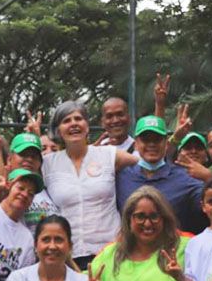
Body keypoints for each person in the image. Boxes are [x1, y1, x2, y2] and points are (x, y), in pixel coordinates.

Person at [40, 101, 138, 269]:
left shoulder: (108, 154)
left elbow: (149, 162)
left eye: (78, 118)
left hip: (110, 252)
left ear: (87, 125)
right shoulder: (46, 164)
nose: (74, 124)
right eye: (66, 120)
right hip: (66, 257)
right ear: (58, 130)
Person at [117, 115, 206, 234]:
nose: (152, 144)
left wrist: (208, 177)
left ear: (166, 143)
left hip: (171, 249)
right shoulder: (121, 176)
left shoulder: (185, 178)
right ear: (136, 144)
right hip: (132, 250)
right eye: (146, 139)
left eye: (157, 139)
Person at [0, 132, 59, 231]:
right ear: (9, 159)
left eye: (34, 156)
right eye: (23, 154)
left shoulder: (48, 188)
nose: (29, 159)